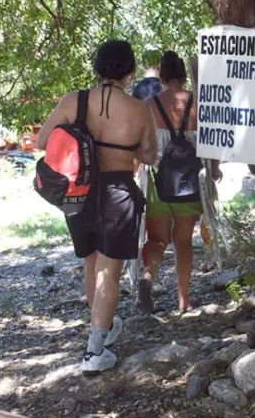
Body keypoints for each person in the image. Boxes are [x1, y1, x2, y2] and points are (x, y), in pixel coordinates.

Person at [37, 40, 157, 375]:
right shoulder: (139, 110)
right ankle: (94, 352)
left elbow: (43, 141)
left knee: (92, 263)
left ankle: (102, 328)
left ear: (97, 67)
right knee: (109, 272)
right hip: (119, 191)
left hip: (80, 193)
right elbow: (149, 156)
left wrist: (80, 138)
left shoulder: (73, 101)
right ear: (130, 70)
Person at [139, 50, 221, 313]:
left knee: (157, 240)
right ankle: (184, 300)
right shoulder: (198, 103)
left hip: (157, 182)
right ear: (184, 75)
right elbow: (210, 143)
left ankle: (146, 280)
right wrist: (215, 169)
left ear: (161, 77)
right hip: (190, 181)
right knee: (183, 240)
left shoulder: (149, 105)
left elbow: (143, 146)